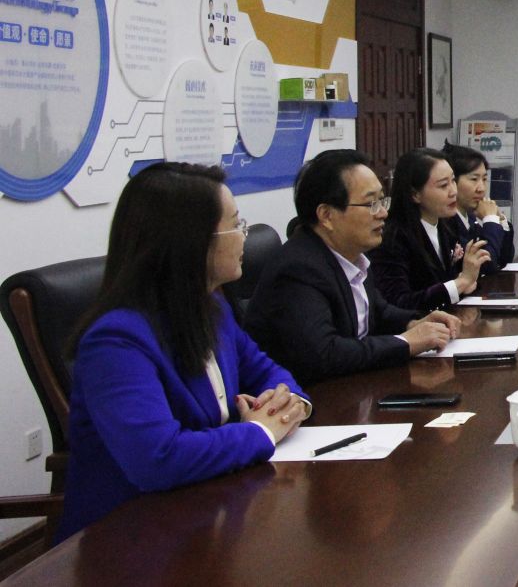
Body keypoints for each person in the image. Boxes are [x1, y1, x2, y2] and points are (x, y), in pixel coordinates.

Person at [59, 163, 310, 540]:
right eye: (236, 225)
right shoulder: (115, 342)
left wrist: (289, 405)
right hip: (130, 537)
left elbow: (268, 372)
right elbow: (158, 459)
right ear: (193, 242)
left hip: (207, 511)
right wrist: (259, 432)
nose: (244, 236)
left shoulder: (212, 306)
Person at [245, 149, 460, 384]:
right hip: (313, 397)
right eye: (371, 204)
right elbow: (324, 353)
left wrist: (416, 322)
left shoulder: (352, 255)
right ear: (326, 215)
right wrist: (407, 342)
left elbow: (377, 311)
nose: (383, 213)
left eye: (382, 200)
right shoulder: (298, 269)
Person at [369, 148, 491, 311]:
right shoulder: (393, 237)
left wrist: (465, 282)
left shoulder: (447, 225)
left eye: (453, 181)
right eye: (443, 185)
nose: (453, 191)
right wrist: (460, 283)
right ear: (415, 194)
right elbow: (398, 303)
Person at [443, 142, 515, 274]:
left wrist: (499, 220)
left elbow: (504, 259)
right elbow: (486, 266)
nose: (481, 188)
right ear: (452, 181)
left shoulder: (470, 217)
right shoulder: (445, 221)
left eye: (484, 179)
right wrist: (490, 220)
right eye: (474, 179)